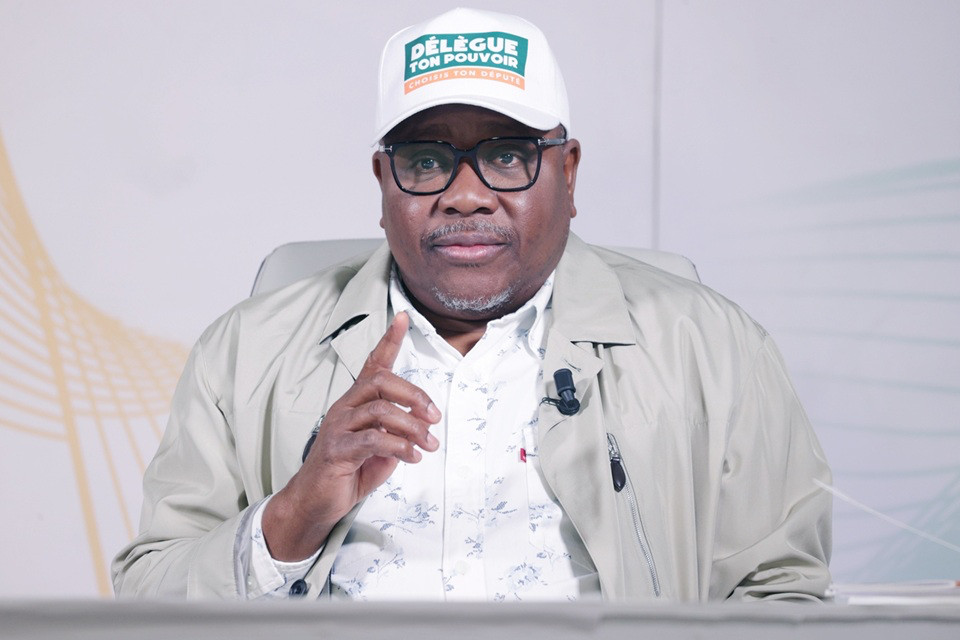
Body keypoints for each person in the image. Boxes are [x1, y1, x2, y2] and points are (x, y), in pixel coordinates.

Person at [112, 8, 831, 602]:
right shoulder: (245, 353)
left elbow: (779, 592)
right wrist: (292, 515)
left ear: (568, 173)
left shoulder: (713, 348)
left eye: (507, 154)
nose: (465, 194)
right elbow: (147, 594)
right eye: (426, 160)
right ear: (383, 182)